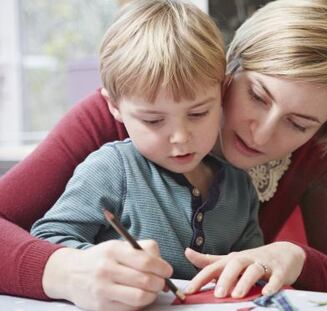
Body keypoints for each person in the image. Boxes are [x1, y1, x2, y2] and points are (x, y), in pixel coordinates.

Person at [0, 0, 327, 310]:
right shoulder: (128, 111)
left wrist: (295, 257)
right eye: (257, 96)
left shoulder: (314, 154)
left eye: (299, 124)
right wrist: (66, 271)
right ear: (227, 71)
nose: (263, 132)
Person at [30, 0, 263, 284]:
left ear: (223, 92)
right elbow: (48, 238)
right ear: (114, 106)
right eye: (153, 121)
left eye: (198, 113)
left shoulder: (240, 188)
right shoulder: (112, 169)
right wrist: (101, 265)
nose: (180, 137)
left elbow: (253, 270)